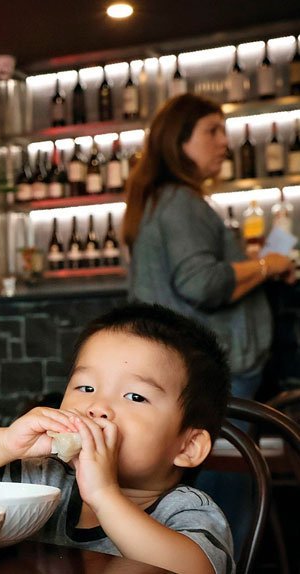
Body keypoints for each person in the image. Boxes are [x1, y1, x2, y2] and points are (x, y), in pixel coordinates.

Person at [0, 304, 234, 574]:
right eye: (86, 388)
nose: (97, 407)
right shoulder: (43, 477)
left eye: (135, 396)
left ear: (187, 447)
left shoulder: (186, 511)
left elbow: (195, 569)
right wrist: (5, 443)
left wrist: (103, 494)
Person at [121, 93, 294, 551]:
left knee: (194, 492)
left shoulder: (164, 200)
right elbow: (201, 283)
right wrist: (268, 266)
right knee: (220, 499)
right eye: (212, 131)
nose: (225, 142)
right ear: (179, 143)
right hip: (214, 371)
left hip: (190, 369)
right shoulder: (181, 201)